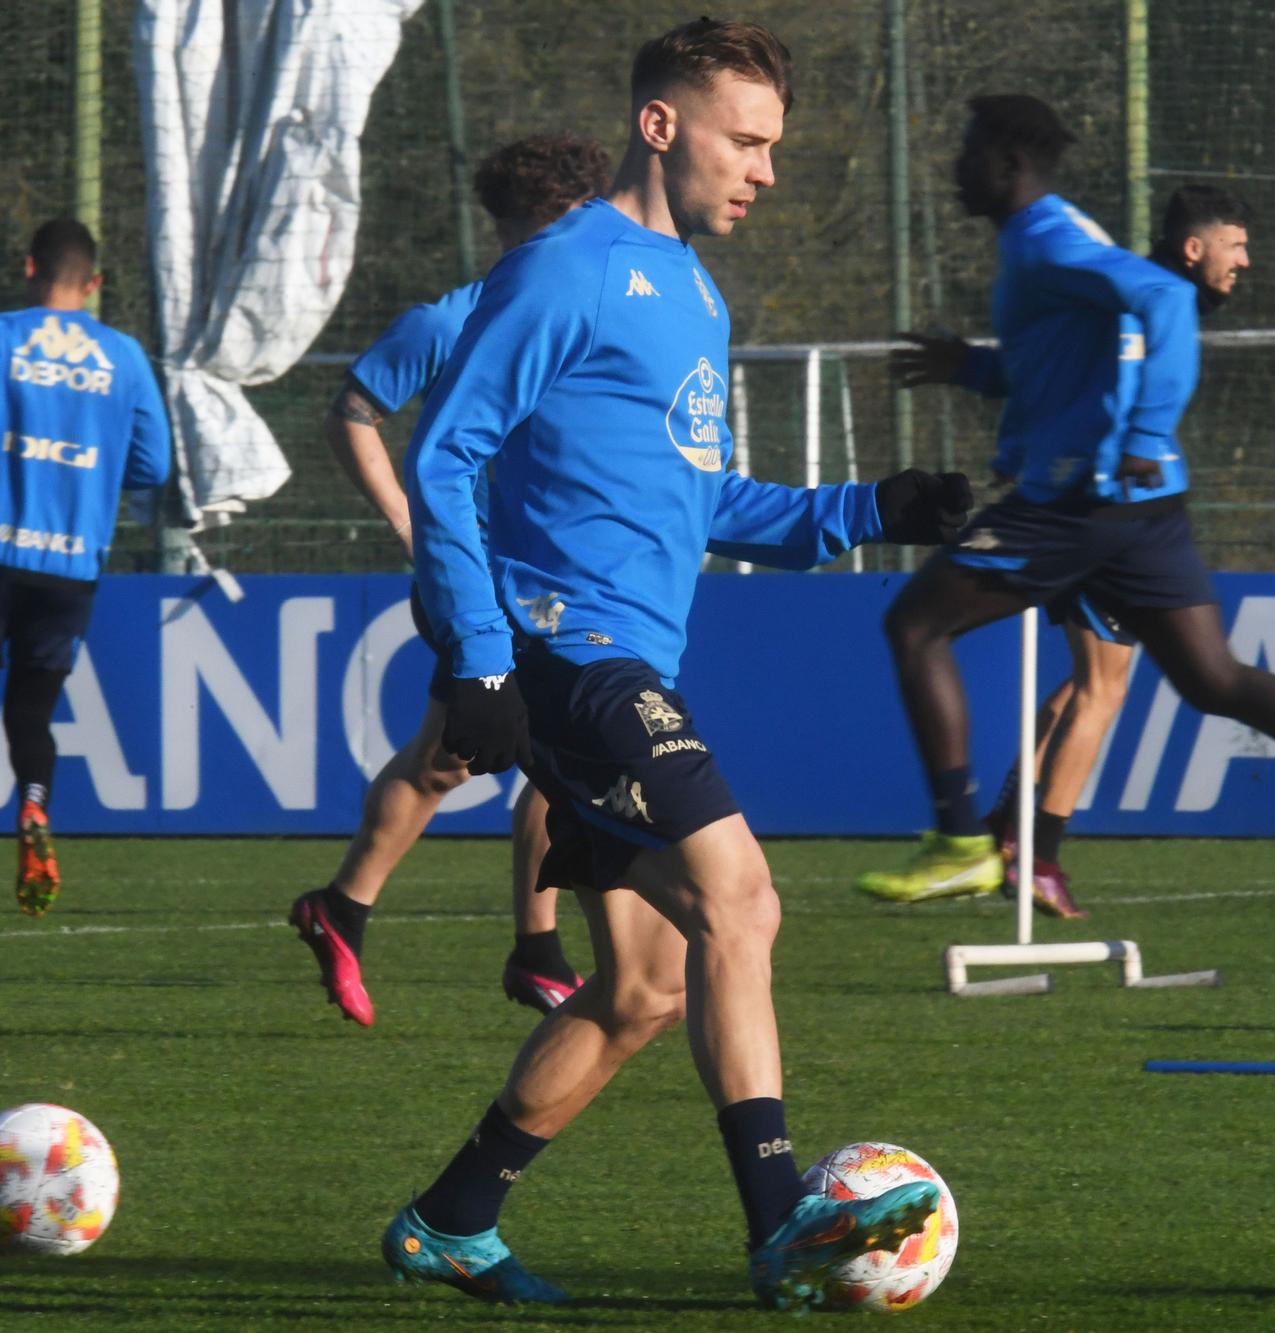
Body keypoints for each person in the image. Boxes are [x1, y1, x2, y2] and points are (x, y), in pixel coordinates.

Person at [382, 18, 971, 1312]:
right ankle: (780, 1228)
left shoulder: (694, 292)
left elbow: (702, 503)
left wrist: (874, 505)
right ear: (663, 125)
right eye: (745, 140)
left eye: (772, 146)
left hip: (622, 656)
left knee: (645, 984)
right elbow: (444, 456)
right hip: (567, 657)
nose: (764, 170)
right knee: (743, 899)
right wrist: (481, 660)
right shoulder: (570, 267)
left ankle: (451, 1219)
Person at [853, 96, 1275, 912]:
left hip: (1082, 497)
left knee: (916, 625)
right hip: (1147, 505)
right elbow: (1064, 363)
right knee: (1213, 679)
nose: (956, 166)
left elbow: (1165, 303)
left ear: (1006, 162)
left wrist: (1142, 428)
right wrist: (972, 366)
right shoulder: (1050, 240)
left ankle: (963, 841)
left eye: (967, 150)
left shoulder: (1047, 238)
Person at [289, 133, 612, 1027]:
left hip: (545, 575)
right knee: (522, 747)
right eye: (529, 227)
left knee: (459, 759)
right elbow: (353, 411)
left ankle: (349, 910)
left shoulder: (586, 314)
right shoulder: (454, 319)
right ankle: (533, 951)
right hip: (475, 577)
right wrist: (405, 515)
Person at [888, 184, 1254, 919]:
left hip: (1093, 512)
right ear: (1193, 248)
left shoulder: (1127, 304)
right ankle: (1034, 853)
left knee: (1095, 681)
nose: (1245, 263)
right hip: (1087, 515)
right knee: (1102, 686)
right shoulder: (1133, 305)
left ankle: (1008, 826)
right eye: (1235, 247)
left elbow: (1045, 375)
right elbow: (1056, 383)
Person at [0, 219, 171, 930]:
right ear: (96, 283)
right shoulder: (125, 355)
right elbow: (154, 467)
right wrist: (98, 467)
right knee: (31, 716)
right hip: (71, 565)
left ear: (29, 268)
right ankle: (35, 799)